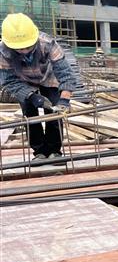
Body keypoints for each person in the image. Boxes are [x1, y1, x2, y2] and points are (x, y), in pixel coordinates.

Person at [0, 13, 76, 160]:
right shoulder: (2, 52)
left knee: (54, 114)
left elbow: (66, 74)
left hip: (49, 77)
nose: (24, 51)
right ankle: (39, 152)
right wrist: (31, 95)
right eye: (19, 48)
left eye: (27, 46)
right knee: (30, 116)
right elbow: (9, 81)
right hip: (23, 81)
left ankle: (55, 151)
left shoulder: (47, 43)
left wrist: (64, 101)